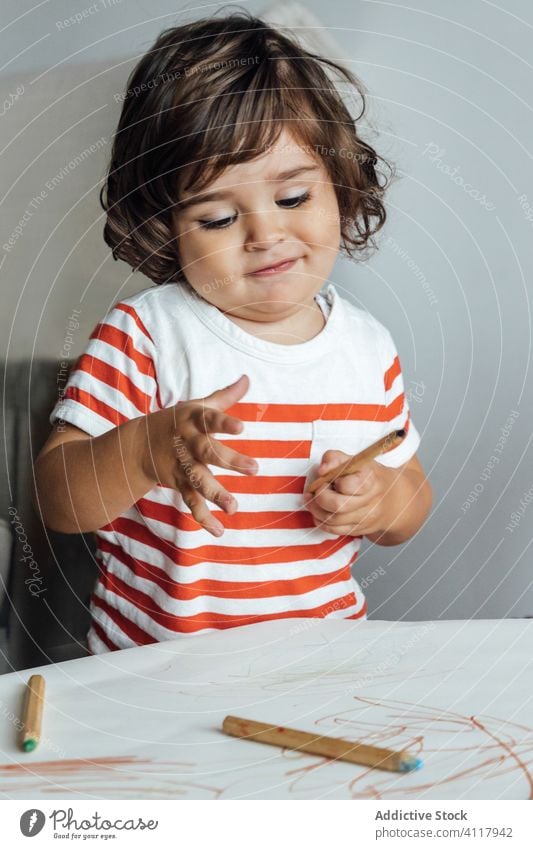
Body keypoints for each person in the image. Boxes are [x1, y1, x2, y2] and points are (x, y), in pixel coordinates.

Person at [34, 11, 432, 654]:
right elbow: (59, 499)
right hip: (157, 679)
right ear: (166, 227)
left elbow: (411, 496)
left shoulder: (367, 348)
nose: (265, 235)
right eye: (218, 217)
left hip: (321, 664)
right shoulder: (147, 334)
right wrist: (143, 452)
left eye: (294, 198)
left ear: (338, 184)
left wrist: (380, 502)